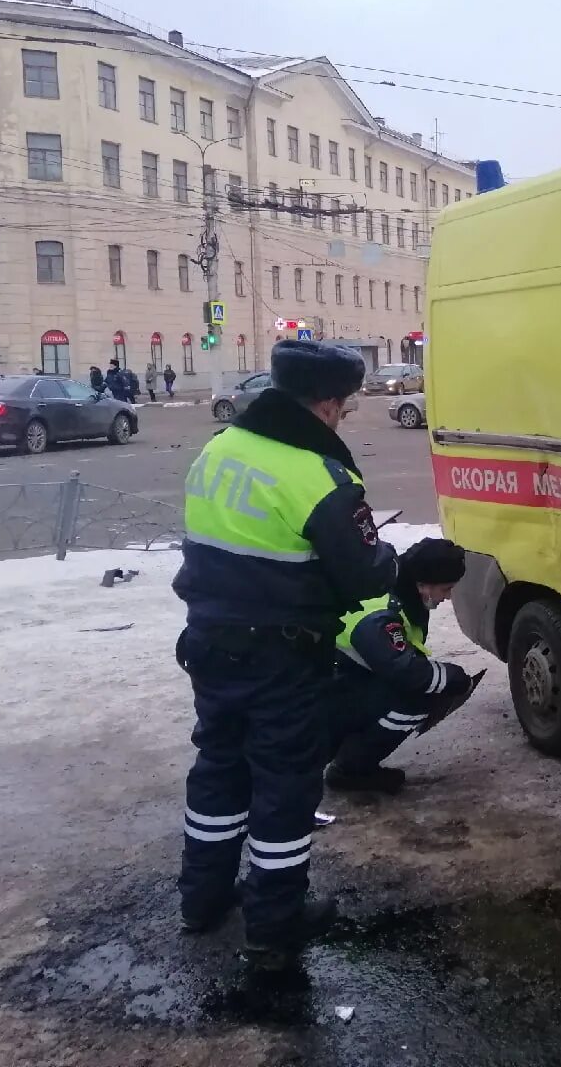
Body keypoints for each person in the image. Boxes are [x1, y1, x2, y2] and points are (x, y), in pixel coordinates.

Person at [171, 340, 396, 962]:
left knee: (218, 768)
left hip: (210, 645)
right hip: (282, 659)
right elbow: (364, 575)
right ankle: (276, 921)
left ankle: (202, 898)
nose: (344, 416)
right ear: (325, 404)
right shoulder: (319, 476)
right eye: (345, 406)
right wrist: (388, 556)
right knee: (284, 786)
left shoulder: (219, 450)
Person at [325, 539, 478, 795]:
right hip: (323, 697)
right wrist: (451, 677)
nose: (449, 596)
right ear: (422, 584)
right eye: (446, 588)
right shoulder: (381, 614)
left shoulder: (400, 595)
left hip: (338, 682)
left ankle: (344, 751)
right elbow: (404, 671)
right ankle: (350, 769)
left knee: (422, 687)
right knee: (416, 698)